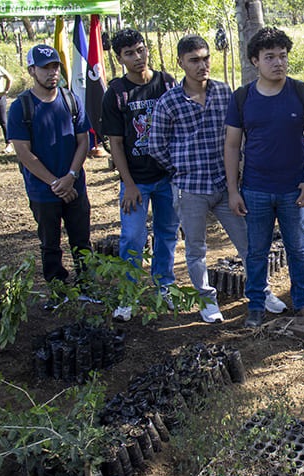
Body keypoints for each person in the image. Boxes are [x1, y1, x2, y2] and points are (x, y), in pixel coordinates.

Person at [149, 35, 285, 323]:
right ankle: (206, 300)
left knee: (249, 242)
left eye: (206, 58)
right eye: (194, 60)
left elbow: (242, 134)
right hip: (190, 188)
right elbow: (156, 146)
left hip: (226, 187)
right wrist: (179, 170)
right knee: (196, 248)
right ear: (180, 63)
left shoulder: (226, 94)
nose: (202, 65)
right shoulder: (169, 102)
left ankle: (260, 292)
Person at [225, 27, 304, 328]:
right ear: (255, 61)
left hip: (294, 190)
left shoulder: (302, 93)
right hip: (255, 189)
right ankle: (255, 306)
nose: (278, 63)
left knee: (297, 249)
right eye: (269, 57)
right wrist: (233, 190)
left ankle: (303, 306)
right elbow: (232, 146)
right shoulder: (242, 98)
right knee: (256, 251)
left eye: (282, 56)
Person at [101, 28, 179, 322]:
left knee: (167, 233)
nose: (138, 57)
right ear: (119, 58)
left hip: (167, 178)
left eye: (141, 49)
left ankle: (164, 286)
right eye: (129, 53)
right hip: (136, 181)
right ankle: (128, 293)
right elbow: (116, 143)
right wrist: (129, 184)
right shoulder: (117, 93)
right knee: (133, 237)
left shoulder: (166, 83)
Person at [7, 45, 92, 290]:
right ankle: (58, 287)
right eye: (45, 68)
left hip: (74, 186)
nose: (52, 72)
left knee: (81, 240)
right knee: (50, 243)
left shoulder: (70, 100)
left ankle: (87, 284)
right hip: (43, 191)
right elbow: (24, 153)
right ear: (32, 70)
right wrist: (56, 182)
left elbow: (83, 141)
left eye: (55, 66)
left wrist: (71, 176)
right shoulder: (21, 107)